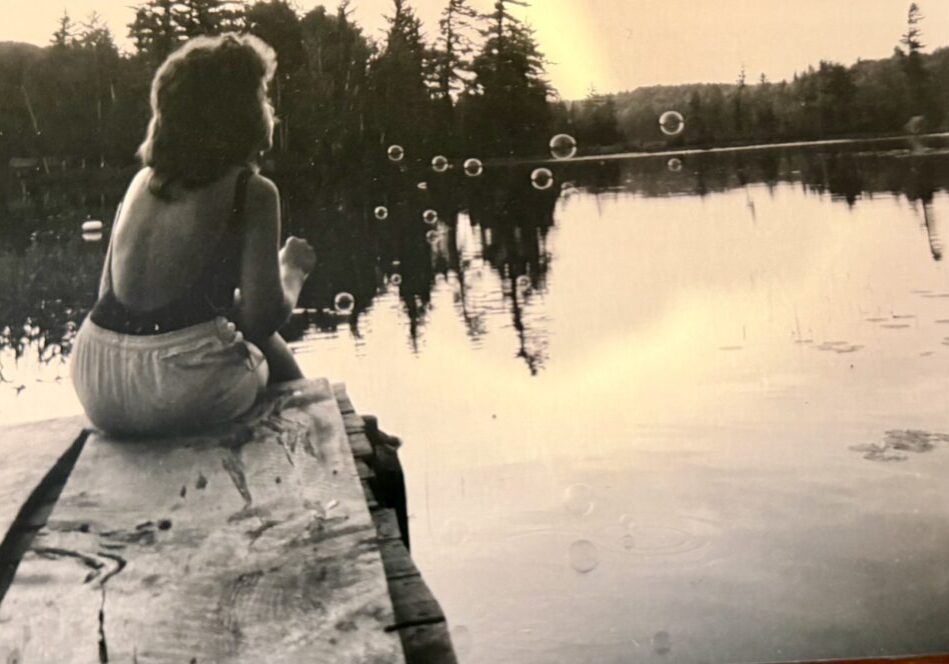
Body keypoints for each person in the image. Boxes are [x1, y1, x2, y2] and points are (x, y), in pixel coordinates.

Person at [70, 34, 316, 437]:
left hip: (97, 379)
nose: (269, 108)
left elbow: (107, 297)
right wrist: (292, 271)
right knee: (256, 340)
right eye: (262, 97)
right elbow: (262, 320)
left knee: (227, 321)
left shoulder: (140, 182)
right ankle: (314, 424)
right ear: (243, 114)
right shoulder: (251, 189)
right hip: (181, 390)